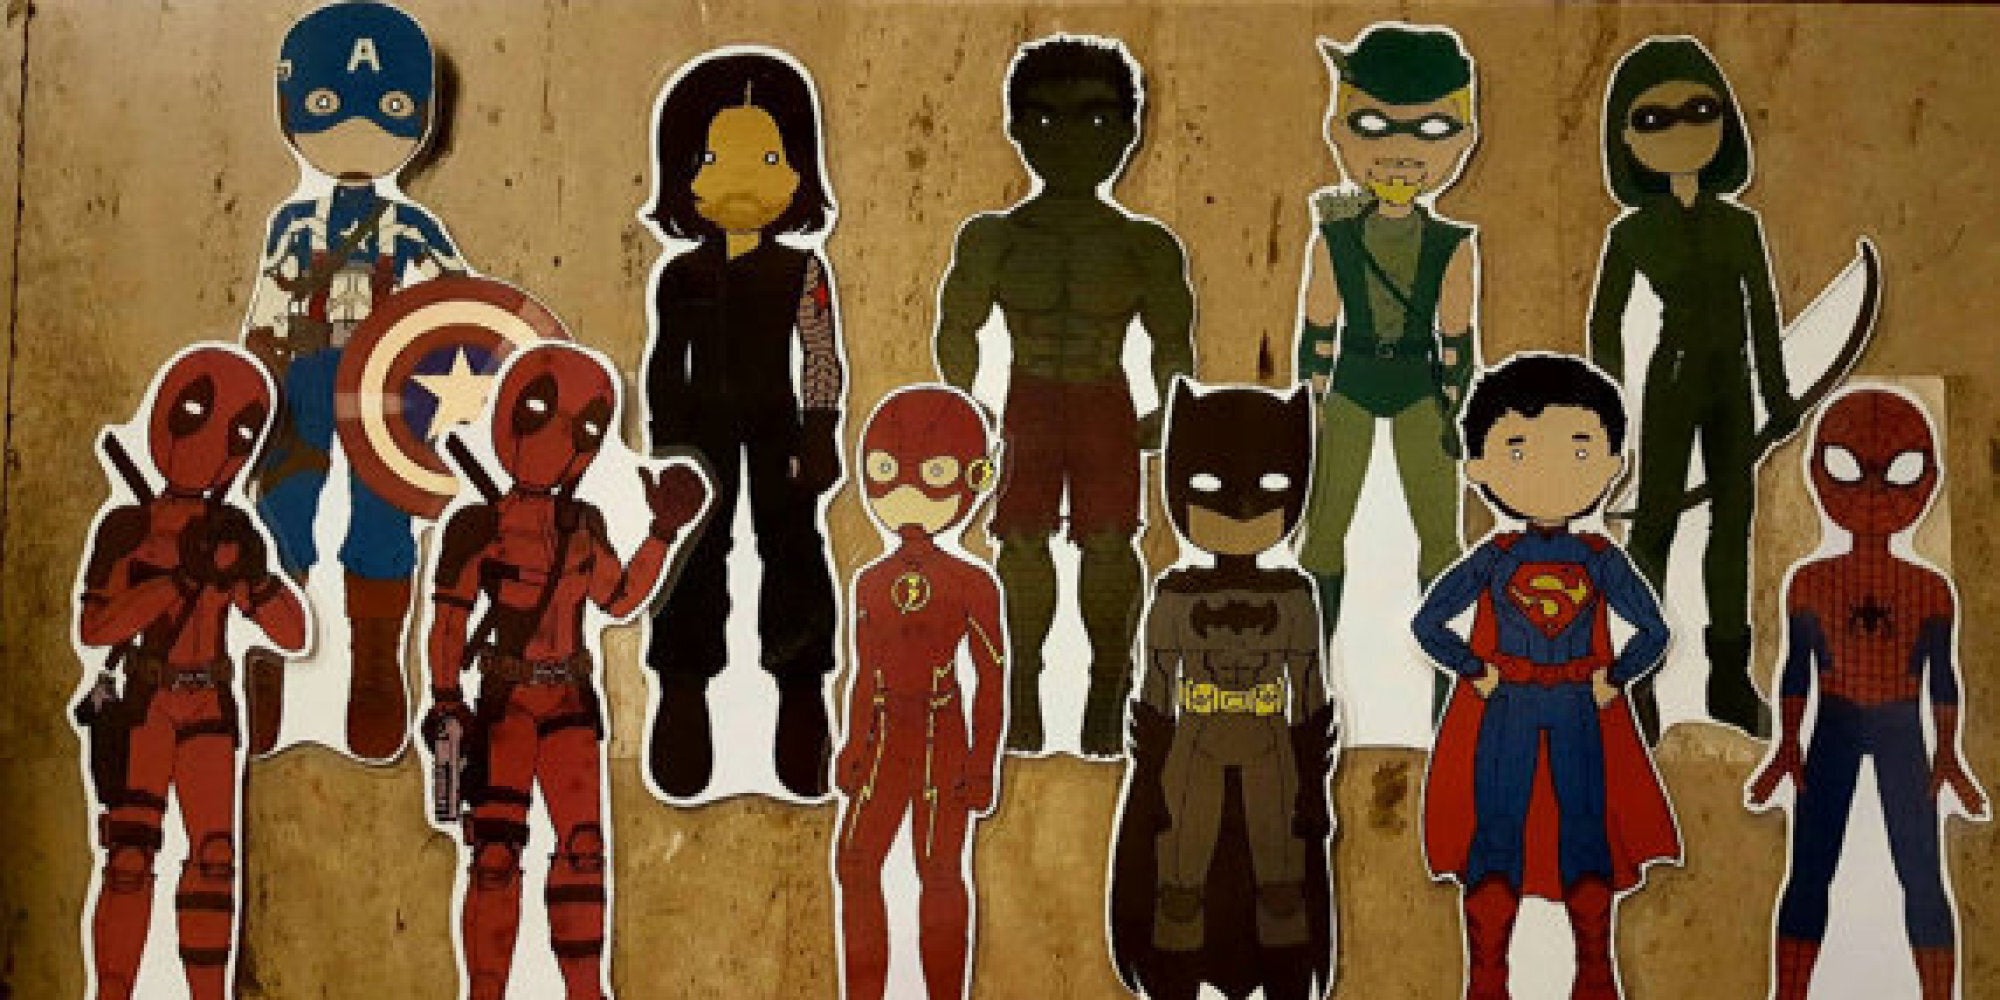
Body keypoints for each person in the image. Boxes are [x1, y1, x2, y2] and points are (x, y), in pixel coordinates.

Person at [934, 34, 1195, 756]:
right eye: (1048, 119)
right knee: (1021, 543)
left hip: (1105, 404)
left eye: (1097, 119)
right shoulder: (994, 239)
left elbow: (1173, 343)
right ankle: (1020, 695)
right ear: (1017, 128)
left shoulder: (1144, 246)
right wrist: (964, 404)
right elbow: (956, 327)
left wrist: (1167, 407)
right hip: (1026, 404)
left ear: (1128, 131)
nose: (1073, 139)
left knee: (1109, 544)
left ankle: (1107, 695)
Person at [424, 343, 709, 1000]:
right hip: (504, 702)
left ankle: (585, 988)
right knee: (496, 854)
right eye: (539, 412)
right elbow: (448, 623)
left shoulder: (582, 526)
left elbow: (619, 599)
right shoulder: (476, 527)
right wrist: (445, 701)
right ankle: (486, 990)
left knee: (583, 850)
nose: (557, 440)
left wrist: (662, 533)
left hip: (572, 700)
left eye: (582, 426)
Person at [240, 0, 470, 758]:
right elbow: (267, 304)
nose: (357, 130)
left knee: (383, 509)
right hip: (303, 372)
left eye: (389, 110)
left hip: (381, 382)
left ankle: (376, 668)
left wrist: (449, 376)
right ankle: (266, 659)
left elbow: (456, 305)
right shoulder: (291, 225)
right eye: (328, 109)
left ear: (419, 119)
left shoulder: (414, 228)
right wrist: (255, 375)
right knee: (283, 503)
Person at [1413, 353, 1678, 1000]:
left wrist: (1616, 676)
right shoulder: (1496, 556)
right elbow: (1428, 623)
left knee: (1584, 827)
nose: (1552, 470)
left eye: (1580, 449)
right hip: (1508, 707)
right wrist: (1475, 670)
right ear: (1479, 467)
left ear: (1614, 464)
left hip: (1577, 707)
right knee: (1497, 827)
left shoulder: (1599, 557)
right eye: (1520, 449)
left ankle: (1595, 971)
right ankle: (1486, 976)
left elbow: (1654, 631)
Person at [640, 48, 847, 798]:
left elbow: (819, 352)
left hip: (778, 426)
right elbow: (664, 362)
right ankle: (682, 688)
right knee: (693, 553)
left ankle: (802, 693)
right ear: (681, 171)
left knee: (792, 549)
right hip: (696, 434)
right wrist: (665, 444)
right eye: (711, 160)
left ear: (799, 170)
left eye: (767, 159)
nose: (739, 181)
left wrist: (820, 429)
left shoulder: (804, 270)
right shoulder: (679, 274)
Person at [75, 345, 308, 999]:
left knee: (215, 862)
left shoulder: (233, 530)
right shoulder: (126, 529)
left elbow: (293, 633)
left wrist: (249, 576)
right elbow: (96, 628)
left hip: (208, 707)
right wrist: (177, 578)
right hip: (145, 705)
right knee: (128, 857)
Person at [1587, 37, 1798, 740]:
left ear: (1726, 122)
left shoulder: (1741, 225)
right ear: (1625, 138)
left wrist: (1777, 393)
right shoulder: (1633, 234)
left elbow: (1762, 311)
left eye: (1700, 111)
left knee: (1732, 523)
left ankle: (1728, 676)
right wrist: (1608, 406)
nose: (1680, 131)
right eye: (1653, 120)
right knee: (1655, 525)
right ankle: (1640, 673)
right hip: (1672, 380)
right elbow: (1604, 322)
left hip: (1733, 383)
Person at [1746, 387, 1984, 1000]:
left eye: (1896, 473)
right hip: (1835, 722)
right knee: (1810, 870)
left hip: (1902, 726)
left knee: (1921, 875)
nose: (1874, 492)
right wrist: (1787, 744)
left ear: (1927, 481)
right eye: (1850, 469)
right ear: (1819, 471)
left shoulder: (1931, 591)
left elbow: (1943, 676)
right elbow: (1797, 669)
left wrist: (1948, 752)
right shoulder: (1810, 582)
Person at [1108, 379, 1337, 1000]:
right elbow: (1155, 690)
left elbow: (1310, 693)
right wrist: (1149, 779)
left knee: (1282, 882)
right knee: (1179, 881)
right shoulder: (1173, 597)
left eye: (1271, 489)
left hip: (1270, 746)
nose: (1241, 510)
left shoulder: (1295, 598)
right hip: (1193, 746)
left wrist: (1313, 785)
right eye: (1208, 488)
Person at [1292, 24, 1480, 718]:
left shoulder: (1450, 243)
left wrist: (1455, 405)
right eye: (1374, 125)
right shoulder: (1334, 236)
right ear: (1342, 132)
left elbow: (1457, 335)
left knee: (1438, 533)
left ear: (1460, 139)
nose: (1401, 152)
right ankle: (1310, 674)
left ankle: (1448, 685)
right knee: (1325, 526)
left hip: (1408, 387)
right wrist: (1312, 400)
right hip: (1362, 381)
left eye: (1429, 129)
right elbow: (1318, 327)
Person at [832, 385, 1006, 1000]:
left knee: (938, 869)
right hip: (884, 733)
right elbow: (864, 670)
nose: (907, 493)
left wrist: (981, 762)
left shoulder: (971, 582)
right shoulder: (870, 582)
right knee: (855, 862)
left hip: (940, 734)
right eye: (888, 471)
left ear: (972, 478)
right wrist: (853, 742)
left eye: (933, 474)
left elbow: (991, 677)